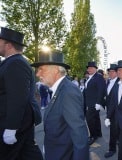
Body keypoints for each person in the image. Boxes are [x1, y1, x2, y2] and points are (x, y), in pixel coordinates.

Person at [31, 51, 89, 160]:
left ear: (56, 70)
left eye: (41, 69)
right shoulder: (59, 89)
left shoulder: (68, 92)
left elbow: (79, 135)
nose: (38, 74)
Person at [0, 27, 43, 159]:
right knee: (27, 153)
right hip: (19, 120)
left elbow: (17, 98)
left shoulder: (16, 63)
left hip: (14, 122)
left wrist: (11, 128)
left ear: (8, 44)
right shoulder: (12, 62)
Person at [84, 61, 106, 145]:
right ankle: (98, 133)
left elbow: (101, 90)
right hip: (89, 102)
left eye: (90, 68)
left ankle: (93, 136)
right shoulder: (90, 77)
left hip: (94, 103)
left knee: (89, 119)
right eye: (88, 68)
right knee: (96, 118)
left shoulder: (98, 77)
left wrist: (98, 103)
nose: (89, 69)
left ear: (95, 69)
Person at [104, 63, 119, 158]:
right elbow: (108, 96)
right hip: (110, 110)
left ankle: (112, 149)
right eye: (109, 71)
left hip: (117, 112)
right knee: (116, 132)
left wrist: (109, 116)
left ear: (117, 72)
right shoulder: (109, 82)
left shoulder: (120, 82)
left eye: (112, 71)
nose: (110, 73)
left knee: (114, 132)